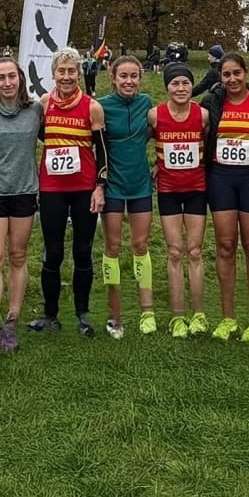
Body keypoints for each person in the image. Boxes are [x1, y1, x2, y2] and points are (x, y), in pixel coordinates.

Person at [28, 47, 108, 337]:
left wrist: (100, 187)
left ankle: (82, 313)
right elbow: (40, 134)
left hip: (83, 188)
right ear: (53, 74)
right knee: (53, 252)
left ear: (79, 73)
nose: (66, 77)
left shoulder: (92, 107)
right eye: (61, 71)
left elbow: (103, 151)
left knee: (82, 251)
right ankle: (50, 313)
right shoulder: (44, 103)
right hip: (52, 189)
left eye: (71, 71)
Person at [200, 52, 249, 342]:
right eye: (226, 74)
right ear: (220, 77)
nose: (232, 79)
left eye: (236, 73)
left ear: (246, 73)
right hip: (221, 178)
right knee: (226, 246)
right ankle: (228, 318)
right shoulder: (212, 102)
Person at [0, 57, 42, 351]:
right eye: (1, 78)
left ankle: (13, 316)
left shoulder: (35, 110)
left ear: (20, 79)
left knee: (18, 256)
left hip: (25, 192)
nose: (7, 83)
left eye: (11, 77)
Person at [150, 63, 210, 337]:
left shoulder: (203, 115)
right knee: (174, 252)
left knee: (195, 251)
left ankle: (199, 315)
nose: (181, 88)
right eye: (175, 83)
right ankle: (177, 317)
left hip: (196, 188)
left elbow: (209, 144)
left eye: (186, 83)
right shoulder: (155, 115)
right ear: (167, 87)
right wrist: (154, 164)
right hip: (168, 190)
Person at [97, 56, 155, 339]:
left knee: (141, 245)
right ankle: (115, 316)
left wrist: (161, 163)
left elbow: (162, 132)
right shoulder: (102, 106)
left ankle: (147, 312)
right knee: (113, 247)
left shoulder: (147, 103)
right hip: (113, 186)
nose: (129, 81)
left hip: (140, 184)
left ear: (140, 78)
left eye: (134, 76)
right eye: (124, 76)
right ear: (113, 77)